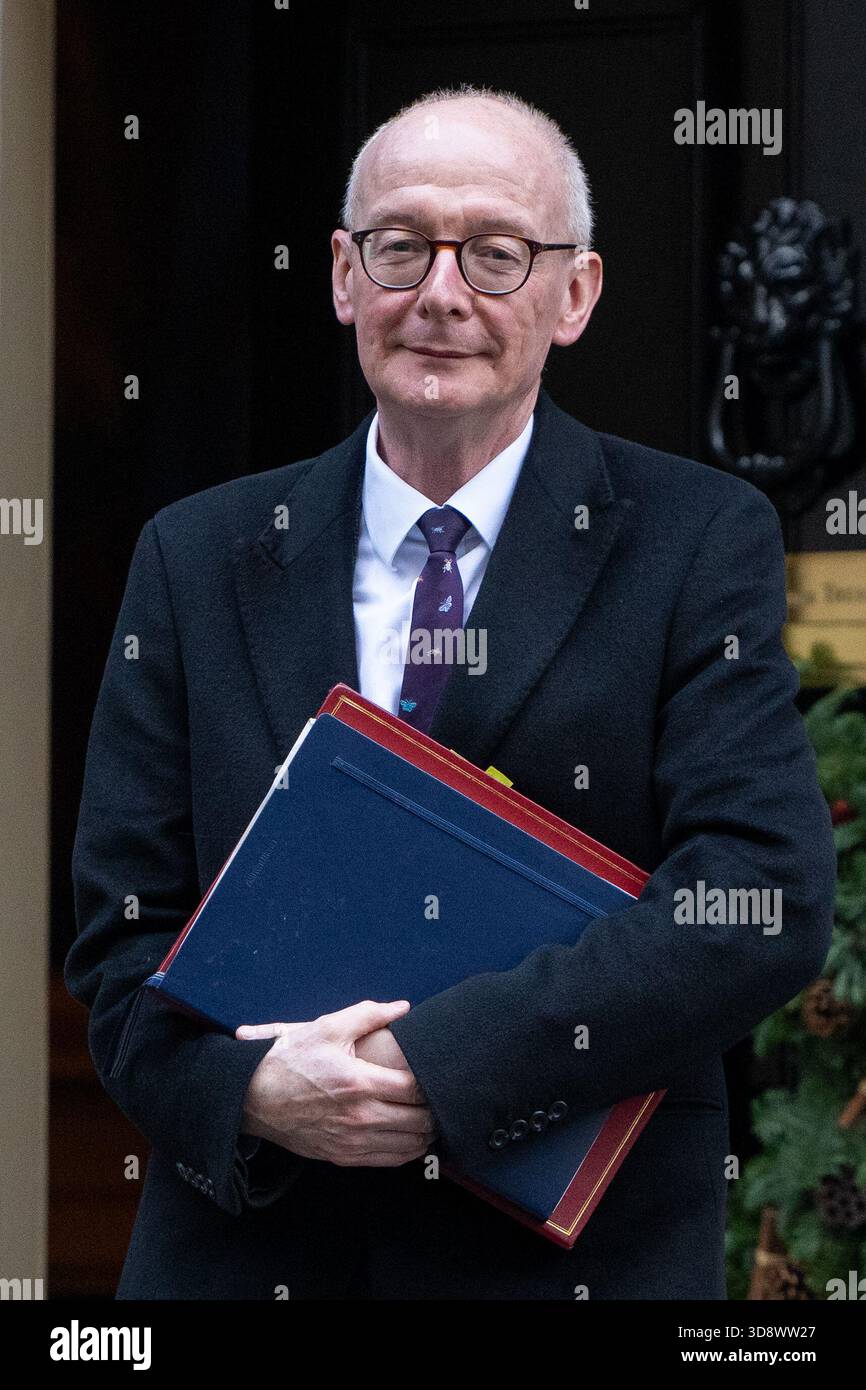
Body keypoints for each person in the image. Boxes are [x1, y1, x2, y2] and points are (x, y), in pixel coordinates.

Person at [66, 84, 836, 1300]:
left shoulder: (693, 541)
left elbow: (756, 895)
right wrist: (257, 1093)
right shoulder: (197, 554)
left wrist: (435, 1066)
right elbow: (118, 939)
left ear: (573, 293)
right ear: (340, 275)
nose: (439, 293)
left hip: (561, 1267)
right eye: (399, 246)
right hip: (247, 1256)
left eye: (492, 253)